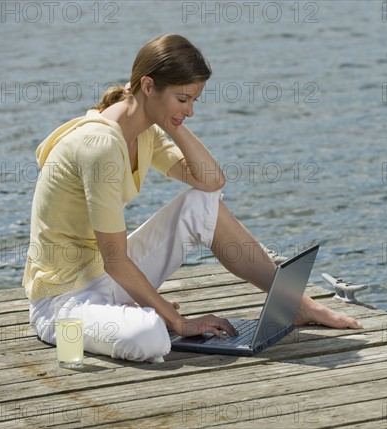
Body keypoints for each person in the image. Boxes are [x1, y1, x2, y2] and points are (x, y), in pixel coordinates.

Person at [23, 34, 362, 363]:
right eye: (184, 99)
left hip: (104, 275)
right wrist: (177, 322)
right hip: (65, 300)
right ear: (148, 85)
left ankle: (295, 304)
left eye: (194, 100)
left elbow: (210, 182)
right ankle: (124, 317)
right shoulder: (99, 145)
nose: (191, 110)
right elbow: (116, 259)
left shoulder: (143, 131)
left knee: (202, 205)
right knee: (151, 336)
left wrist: (172, 120)